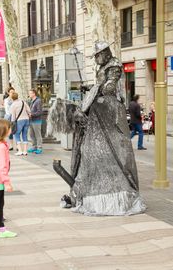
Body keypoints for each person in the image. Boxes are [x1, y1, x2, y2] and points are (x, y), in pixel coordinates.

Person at [48, 40, 146, 216]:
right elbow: (100, 86)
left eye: (97, 56)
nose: (96, 60)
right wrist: (91, 89)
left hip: (109, 110)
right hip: (98, 107)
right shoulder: (102, 67)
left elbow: (110, 86)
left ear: (105, 53)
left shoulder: (114, 65)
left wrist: (99, 88)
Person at [27, 89, 43, 154]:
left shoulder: (38, 101)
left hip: (37, 121)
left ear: (34, 93)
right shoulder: (31, 101)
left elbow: (39, 112)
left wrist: (32, 114)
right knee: (32, 135)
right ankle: (34, 147)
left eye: (30, 93)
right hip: (31, 120)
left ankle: (39, 148)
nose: (29, 94)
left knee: (38, 135)